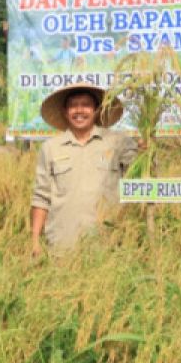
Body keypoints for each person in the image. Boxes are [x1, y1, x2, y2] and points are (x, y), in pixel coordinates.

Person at [30, 84, 140, 255]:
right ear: (65, 112)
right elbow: (41, 197)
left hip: (109, 247)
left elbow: (140, 175)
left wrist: (146, 152)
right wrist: (35, 241)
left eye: (86, 105)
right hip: (61, 248)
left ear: (97, 110)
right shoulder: (51, 148)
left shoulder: (118, 142)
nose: (79, 110)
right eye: (73, 105)